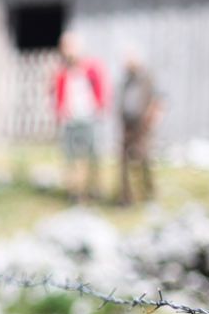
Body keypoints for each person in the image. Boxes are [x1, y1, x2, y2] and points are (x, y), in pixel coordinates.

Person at [52, 31, 107, 202]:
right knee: (71, 157)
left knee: (92, 156)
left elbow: (101, 89)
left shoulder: (91, 68)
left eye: (70, 47)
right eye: (65, 48)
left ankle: (94, 190)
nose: (67, 51)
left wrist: (99, 108)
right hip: (71, 120)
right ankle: (75, 193)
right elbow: (58, 93)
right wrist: (60, 112)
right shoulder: (62, 72)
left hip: (89, 118)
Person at [117, 52, 162, 204]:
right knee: (123, 161)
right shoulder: (126, 81)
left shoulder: (147, 79)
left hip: (142, 127)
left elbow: (159, 101)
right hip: (127, 125)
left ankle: (149, 193)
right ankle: (126, 197)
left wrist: (150, 120)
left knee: (144, 158)